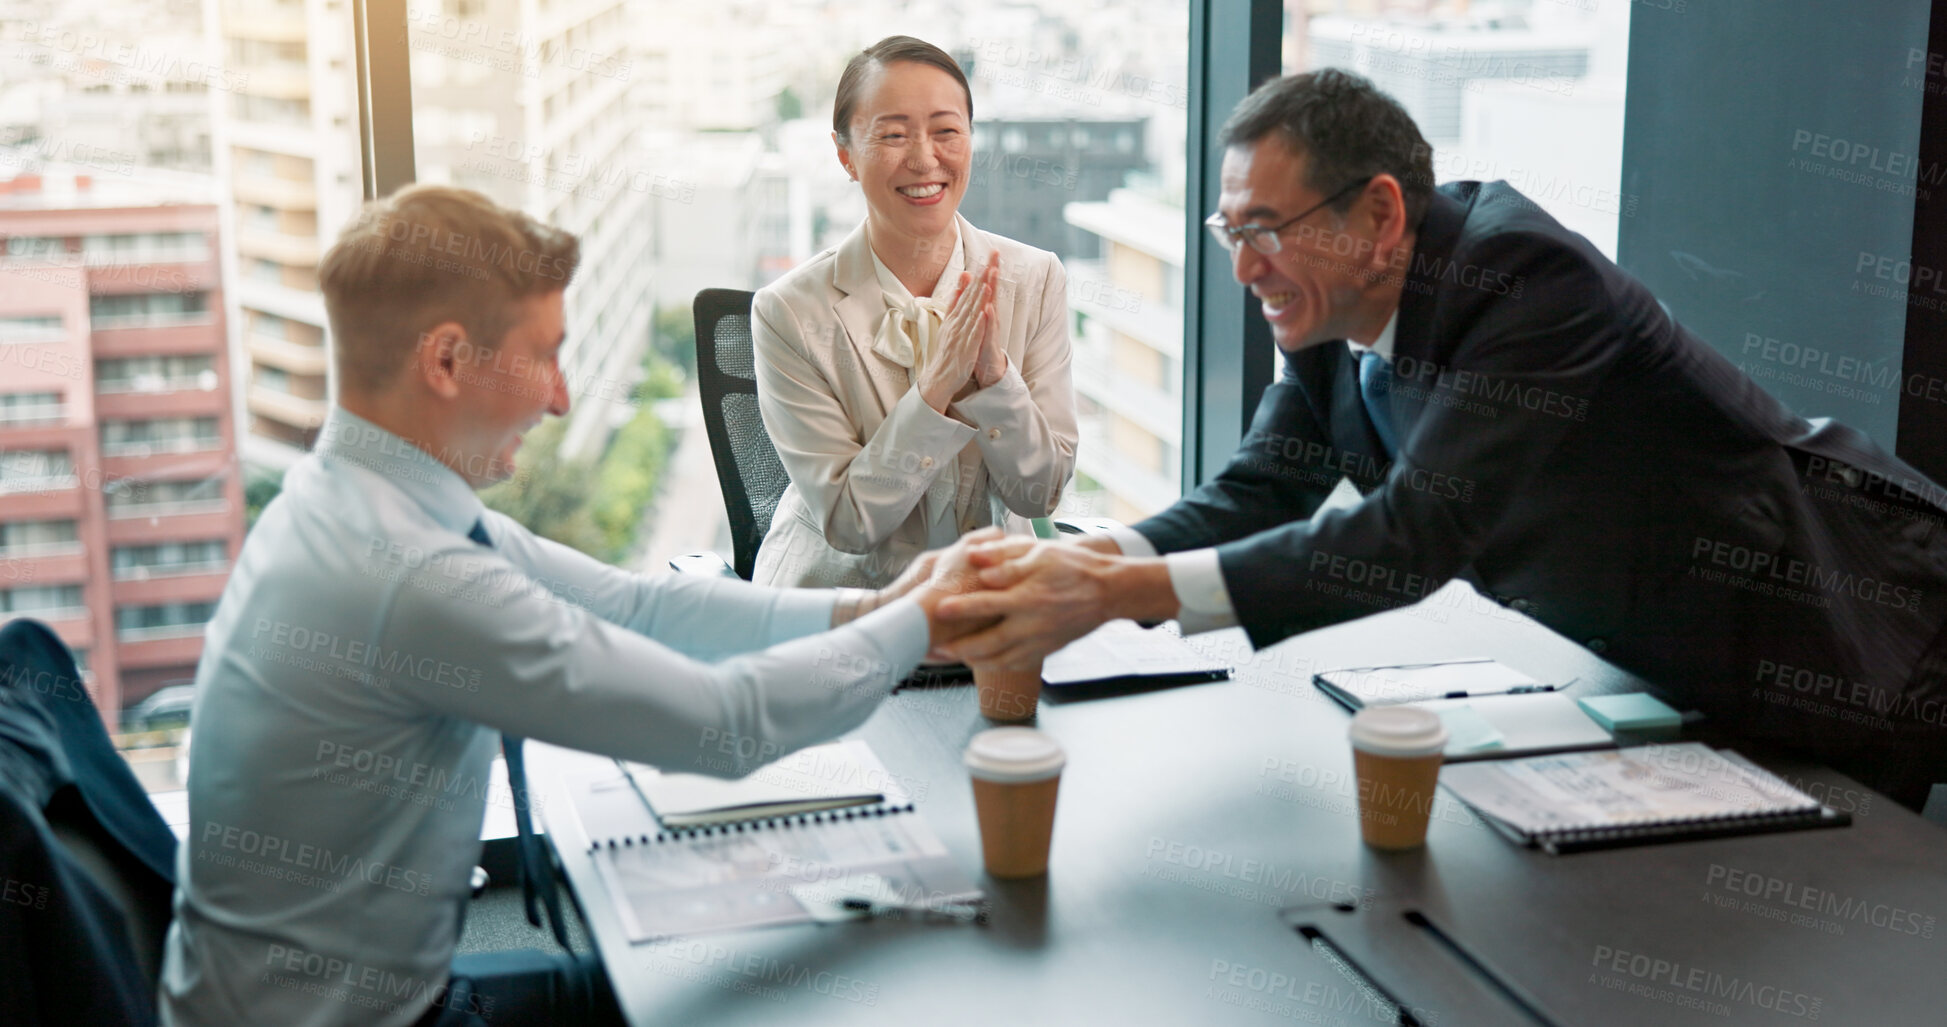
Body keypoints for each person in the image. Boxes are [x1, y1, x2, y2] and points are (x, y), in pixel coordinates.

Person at [938, 69, 1947, 811]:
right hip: (1674, 665)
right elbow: (1260, 488)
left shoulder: (1521, 278)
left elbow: (1414, 535)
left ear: (1378, 213)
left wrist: (1116, 597)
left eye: (1266, 230)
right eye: (1230, 234)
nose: (1246, 270)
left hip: (1850, 626)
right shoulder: (1334, 319)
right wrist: (1078, 561)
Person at [159, 185, 992, 1027]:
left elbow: (639, 608)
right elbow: (724, 723)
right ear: (446, 361)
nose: (559, 397)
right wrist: (923, 622)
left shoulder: (355, 502)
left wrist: (880, 606)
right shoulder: (409, 573)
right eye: (544, 355)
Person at [750, 35, 1078, 589]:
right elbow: (851, 522)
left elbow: (1038, 494)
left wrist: (995, 383)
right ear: (845, 155)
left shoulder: (1035, 279)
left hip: (987, 611)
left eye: (947, 131)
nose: (925, 159)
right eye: (893, 135)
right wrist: (936, 389)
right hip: (837, 617)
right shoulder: (787, 313)